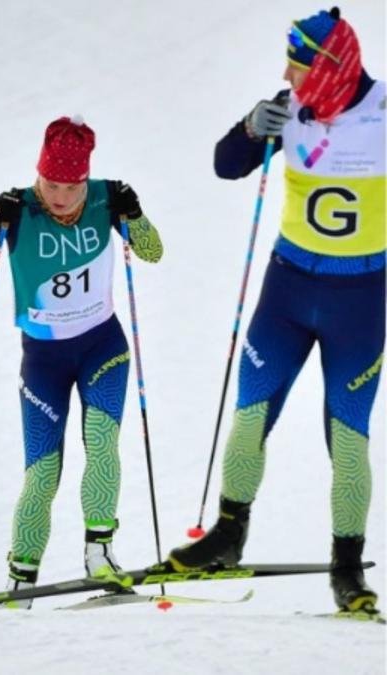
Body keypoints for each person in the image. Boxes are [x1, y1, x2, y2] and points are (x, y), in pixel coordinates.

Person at [168, 7, 383, 616]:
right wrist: (247, 128)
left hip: (359, 302)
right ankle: (227, 537)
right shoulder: (289, 108)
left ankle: (347, 570)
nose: (286, 72)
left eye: (298, 60)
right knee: (249, 415)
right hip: (285, 294)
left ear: (331, 64)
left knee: (348, 440)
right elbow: (225, 164)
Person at [0, 116, 163, 607]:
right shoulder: (20, 206)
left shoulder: (105, 198)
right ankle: (22, 579)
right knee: (41, 473)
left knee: (100, 440)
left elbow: (153, 252)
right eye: (50, 183)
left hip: (102, 348)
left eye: (70, 187)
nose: (58, 196)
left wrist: (134, 216)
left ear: (85, 181)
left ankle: (100, 554)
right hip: (44, 362)